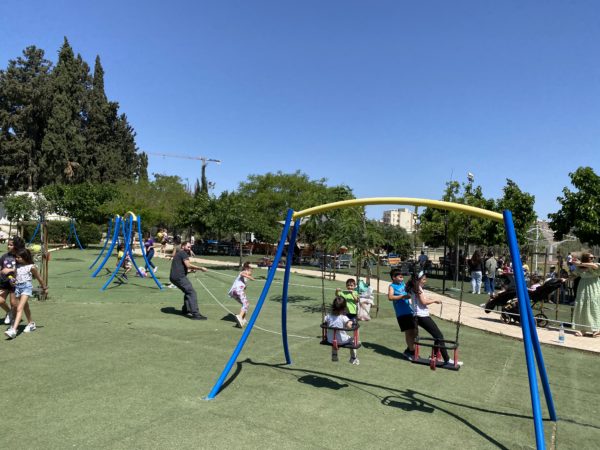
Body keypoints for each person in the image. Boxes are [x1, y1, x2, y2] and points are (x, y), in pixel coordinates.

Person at [407, 271, 461, 367]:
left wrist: (430, 299)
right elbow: (423, 302)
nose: (425, 281)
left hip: (419, 315)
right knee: (439, 336)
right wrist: (434, 300)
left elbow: (421, 299)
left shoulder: (415, 287)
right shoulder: (417, 288)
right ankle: (447, 360)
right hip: (421, 316)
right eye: (423, 279)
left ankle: (435, 356)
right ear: (418, 280)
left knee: (437, 335)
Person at [4, 247, 47, 339]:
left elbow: (39, 278)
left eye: (19, 257)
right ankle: (31, 324)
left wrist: (44, 288)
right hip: (18, 288)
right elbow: (15, 277)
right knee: (25, 307)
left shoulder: (31, 267)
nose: (16, 259)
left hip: (26, 288)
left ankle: (13, 330)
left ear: (25, 257)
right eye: (16, 257)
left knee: (19, 308)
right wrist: (12, 281)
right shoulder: (17, 267)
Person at [169, 241, 208, 320]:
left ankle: (186, 310)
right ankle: (196, 314)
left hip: (174, 277)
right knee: (191, 292)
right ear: (183, 246)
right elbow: (188, 265)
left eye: (190, 247)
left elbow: (181, 267)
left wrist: (190, 271)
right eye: (188, 247)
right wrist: (201, 268)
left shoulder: (179, 253)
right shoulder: (183, 253)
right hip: (179, 277)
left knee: (188, 291)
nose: (189, 248)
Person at [388, 269, 416, 361]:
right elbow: (390, 297)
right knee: (409, 332)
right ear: (394, 277)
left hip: (410, 311)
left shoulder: (403, 284)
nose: (402, 278)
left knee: (414, 331)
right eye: (400, 277)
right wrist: (402, 296)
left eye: (402, 277)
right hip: (402, 313)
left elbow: (409, 289)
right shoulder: (392, 286)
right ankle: (411, 352)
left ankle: (408, 350)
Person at [570, 253, 600, 337]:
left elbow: (594, 266)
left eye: (593, 257)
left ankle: (596, 329)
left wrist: (579, 263)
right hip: (583, 288)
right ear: (586, 258)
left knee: (594, 307)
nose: (593, 259)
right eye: (591, 257)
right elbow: (574, 275)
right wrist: (565, 279)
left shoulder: (596, 265)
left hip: (594, 288)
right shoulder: (579, 268)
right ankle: (582, 329)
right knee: (582, 307)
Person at [324, 297, 359, 365]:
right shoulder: (343, 317)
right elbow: (349, 326)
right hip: (342, 340)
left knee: (334, 337)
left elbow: (325, 322)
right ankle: (353, 358)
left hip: (330, 340)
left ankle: (334, 355)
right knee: (353, 341)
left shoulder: (328, 316)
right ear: (344, 308)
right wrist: (351, 322)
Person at [228, 262, 256, 327]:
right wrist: (249, 277)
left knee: (246, 304)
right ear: (246, 268)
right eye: (250, 268)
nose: (251, 270)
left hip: (234, 292)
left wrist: (245, 286)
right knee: (246, 304)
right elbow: (242, 274)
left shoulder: (245, 279)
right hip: (237, 290)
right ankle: (240, 316)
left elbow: (243, 282)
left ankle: (242, 319)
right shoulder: (244, 272)